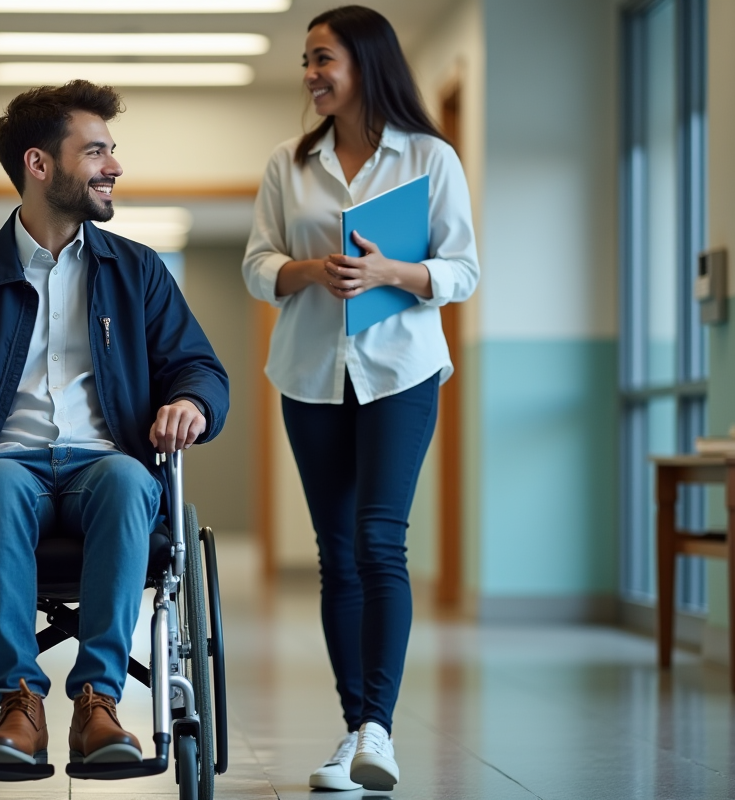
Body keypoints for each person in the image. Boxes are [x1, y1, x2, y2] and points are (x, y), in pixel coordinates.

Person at [0, 80, 229, 766]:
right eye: (95, 151)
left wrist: (191, 403)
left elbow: (198, 367)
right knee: (0, 486)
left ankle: (98, 703)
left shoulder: (138, 272)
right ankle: (19, 705)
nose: (114, 166)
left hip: (107, 465)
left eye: (111, 150)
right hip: (2, 466)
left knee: (130, 483)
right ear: (39, 165)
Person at [242, 6, 479, 793]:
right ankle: (354, 733)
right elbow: (256, 265)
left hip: (400, 371)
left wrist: (391, 274)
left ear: (365, 64)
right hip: (312, 374)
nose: (311, 74)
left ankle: (379, 727)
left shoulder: (430, 157)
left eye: (324, 59)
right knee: (337, 553)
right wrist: (309, 270)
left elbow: (462, 270)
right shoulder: (289, 164)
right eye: (307, 61)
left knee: (380, 542)